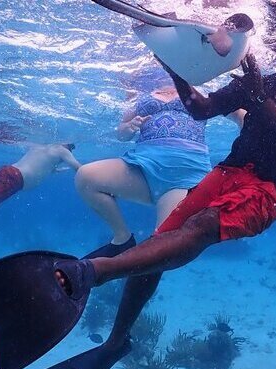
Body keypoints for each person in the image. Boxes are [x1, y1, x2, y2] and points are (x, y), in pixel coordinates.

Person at [61, 51, 276, 349]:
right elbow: (201, 108)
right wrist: (175, 68)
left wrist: (259, 96)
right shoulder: (259, 82)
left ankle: (95, 271)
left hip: (269, 188)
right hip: (228, 171)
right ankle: (117, 339)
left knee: (203, 224)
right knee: (161, 240)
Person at [75, 69, 244, 258]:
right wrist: (129, 128)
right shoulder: (140, 95)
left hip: (184, 176)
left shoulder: (202, 90)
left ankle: (130, 277)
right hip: (141, 168)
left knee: (161, 247)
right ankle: (122, 238)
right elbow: (121, 133)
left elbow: (238, 114)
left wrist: (255, 131)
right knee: (86, 177)